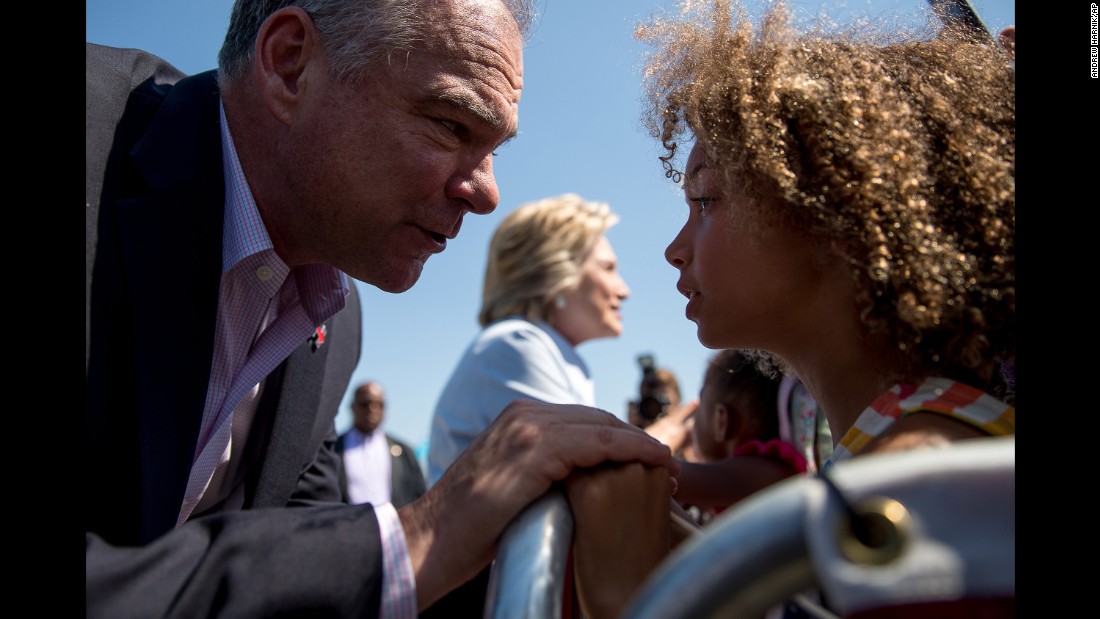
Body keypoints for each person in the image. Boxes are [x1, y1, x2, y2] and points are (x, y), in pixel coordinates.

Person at [85, 2, 680, 617]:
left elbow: (297, 557)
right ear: (290, 63)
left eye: (496, 148)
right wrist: (421, 536)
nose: (487, 193)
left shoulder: (335, 318)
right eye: (452, 125)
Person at [566, 1, 1016, 616]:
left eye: (705, 201)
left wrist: (622, 595)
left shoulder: (919, 480)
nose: (674, 249)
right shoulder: (899, 441)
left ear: (837, 215)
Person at [426, 193, 631, 485]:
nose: (624, 290)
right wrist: (671, 437)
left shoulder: (539, 348)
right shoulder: (517, 345)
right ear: (557, 273)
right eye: (608, 268)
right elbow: (588, 482)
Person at [675, 349, 806, 522]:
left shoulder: (763, 472)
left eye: (700, 406)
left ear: (721, 421)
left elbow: (669, 475)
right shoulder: (745, 479)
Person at [337, 381, 426, 508]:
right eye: (365, 404)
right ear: (352, 406)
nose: (373, 409)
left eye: (379, 405)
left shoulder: (402, 451)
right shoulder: (333, 449)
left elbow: (419, 495)